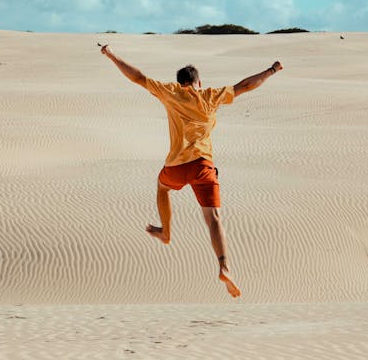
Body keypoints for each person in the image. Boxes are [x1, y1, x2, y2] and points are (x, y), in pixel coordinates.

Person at [99, 44, 283, 298]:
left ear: (180, 82)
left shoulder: (170, 92)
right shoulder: (210, 96)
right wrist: (272, 70)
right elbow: (246, 86)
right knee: (214, 219)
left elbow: (138, 77)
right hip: (203, 167)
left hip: (176, 167)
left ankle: (165, 232)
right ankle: (224, 265)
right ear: (198, 82)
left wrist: (111, 56)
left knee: (162, 187)